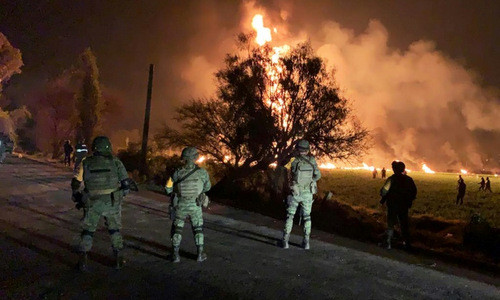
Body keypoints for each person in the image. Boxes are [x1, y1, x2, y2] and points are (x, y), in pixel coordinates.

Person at [71, 136, 130, 271]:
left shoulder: (86, 162)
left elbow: (76, 182)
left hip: (91, 202)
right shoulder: (116, 162)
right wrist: (120, 196)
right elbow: (126, 184)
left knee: (88, 230)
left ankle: (83, 261)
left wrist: (76, 196)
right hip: (111, 202)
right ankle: (118, 259)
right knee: (114, 230)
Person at [165, 147, 211, 263]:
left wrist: (173, 193)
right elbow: (207, 187)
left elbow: (168, 187)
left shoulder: (177, 172)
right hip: (196, 205)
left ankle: (175, 255)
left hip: (181, 205)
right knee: (198, 229)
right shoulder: (202, 173)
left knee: (177, 229)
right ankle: (200, 254)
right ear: (195, 158)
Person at [282, 139, 321, 250]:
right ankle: (306, 243)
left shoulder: (293, 160)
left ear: (298, 149)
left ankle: (285, 242)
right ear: (308, 150)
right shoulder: (312, 160)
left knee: (290, 216)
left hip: (295, 192)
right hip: (308, 193)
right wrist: (310, 181)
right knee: (307, 218)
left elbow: (285, 170)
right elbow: (318, 176)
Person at [380, 161, 417, 250]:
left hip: (392, 205)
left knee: (391, 224)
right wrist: (409, 201)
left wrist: (383, 196)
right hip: (404, 206)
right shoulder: (409, 180)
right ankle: (407, 243)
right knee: (404, 224)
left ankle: (388, 243)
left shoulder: (391, 179)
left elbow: (384, 191)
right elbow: (414, 192)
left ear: (394, 169)